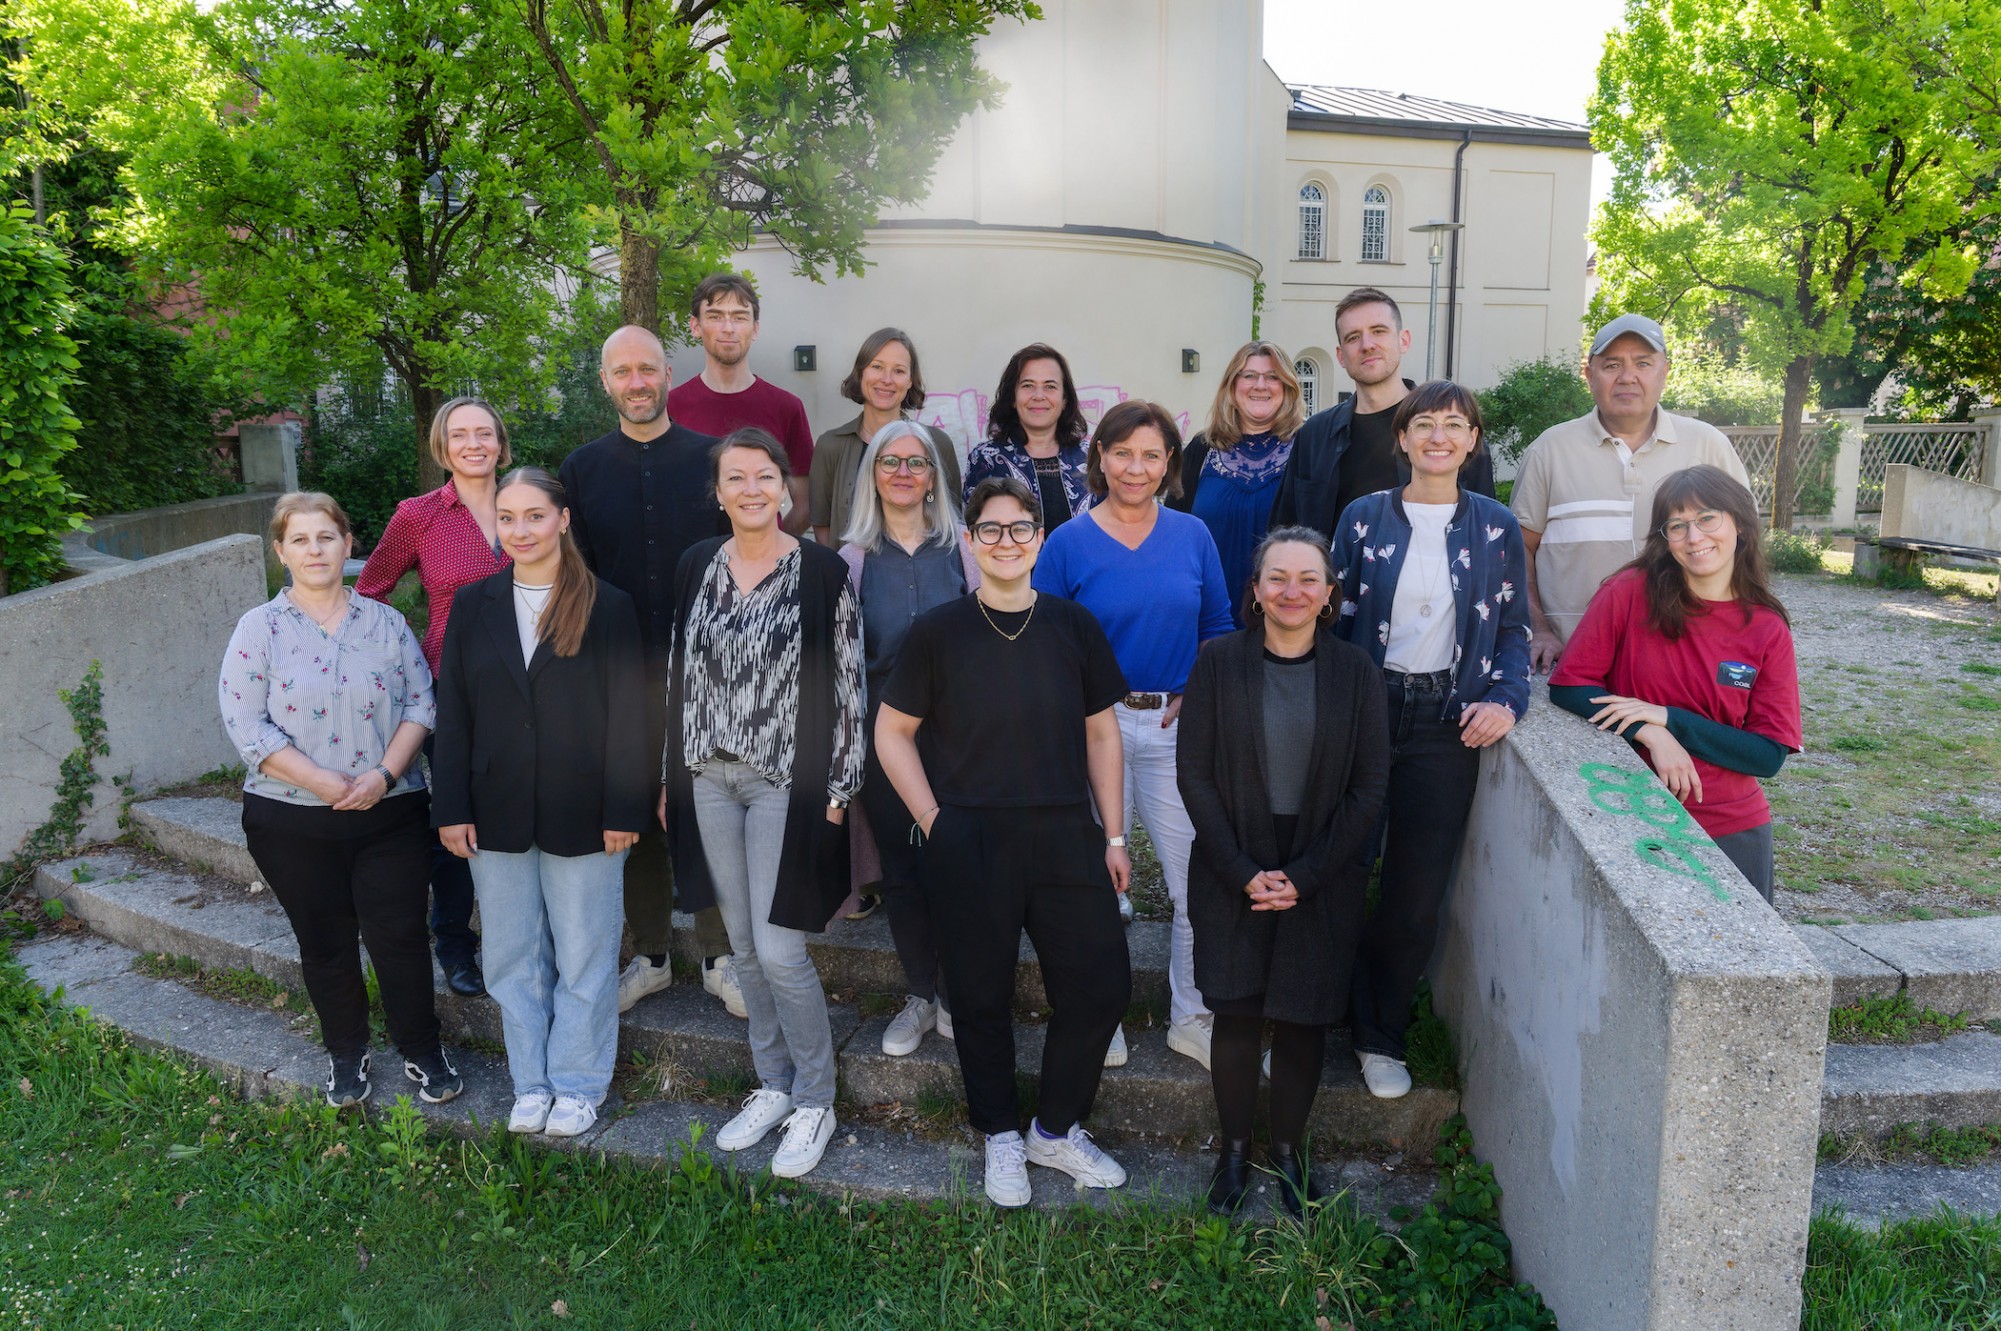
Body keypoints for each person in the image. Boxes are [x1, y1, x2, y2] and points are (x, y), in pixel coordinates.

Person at [874, 477, 1133, 1209]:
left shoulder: (1072, 626)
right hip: (970, 834)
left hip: (1063, 831)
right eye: (990, 530)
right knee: (980, 996)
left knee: (1101, 984)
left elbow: (1100, 731)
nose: (1006, 541)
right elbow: (891, 732)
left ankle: (1054, 1128)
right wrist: (933, 818)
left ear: (1040, 538)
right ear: (970, 541)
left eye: (1020, 528)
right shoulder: (938, 632)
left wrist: (1114, 833)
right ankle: (998, 1134)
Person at [660, 428, 865, 1180]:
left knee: (780, 950)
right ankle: (772, 1083)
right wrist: (668, 776)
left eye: (763, 476)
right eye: (734, 477)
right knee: (742, 947)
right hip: (707, 777)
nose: (750, 489)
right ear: (717, 491)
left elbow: (848, 684)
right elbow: (678, 676)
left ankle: (816, 1095)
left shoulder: (821, 569)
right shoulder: (695, 566)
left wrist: (838, 790)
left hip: (786, 780)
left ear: (785, 487)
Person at [218, 492, 461, 1109]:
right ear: (280, 552)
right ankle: (347, 1053)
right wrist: (321, 783)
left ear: (348, 544)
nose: (314, 550)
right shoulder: (259, 629)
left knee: (401, 934)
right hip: (290, 818)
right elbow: (246, 724)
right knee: (323, 939)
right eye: (299, 540)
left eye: (326, 537)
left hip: (391, 809)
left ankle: (420, 1048)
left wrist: (383, 774)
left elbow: (421, 704)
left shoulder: (385, 622)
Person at [430, 468, 650, 1137]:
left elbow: (631, 717)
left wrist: (624, 807)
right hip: (493, 809)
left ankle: (578, 1083)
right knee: (509, 953)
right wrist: (450, 806)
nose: (520, 530)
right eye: (507, 518)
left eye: (533, 515)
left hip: (585, 809)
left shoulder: (607, 604)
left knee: (585, 952)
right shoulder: (474, 605)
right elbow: (455, 710)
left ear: (561, 519)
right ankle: (531, 1081)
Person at [1177, 526, 1390, 1217]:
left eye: (1307, 578)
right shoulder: (1216, 662)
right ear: (1255, 589)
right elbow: (1195, 775)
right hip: (1229, 860)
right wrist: (1242, 870)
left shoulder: (1356, 671)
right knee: (1235, 1015)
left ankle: (1289, 1150)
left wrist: (1304, 874)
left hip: (1320, 867)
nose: (1291, 591)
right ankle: (1234, 1151)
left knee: (1301, 1020)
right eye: (1277, 577)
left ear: (1329, 593)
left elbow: (1368, 786)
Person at [1329, 382, 1530, 1101]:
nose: (1438, 436)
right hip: (1362, 711)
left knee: (1415, 888)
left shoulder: (1495, 525)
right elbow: (1329, 618)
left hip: (1444, 720)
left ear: (1473, 440)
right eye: (1424, 424)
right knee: (1339, 866)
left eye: (1454, 424)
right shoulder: (1360, 519)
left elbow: (1511, 629)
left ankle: (1377, 1033)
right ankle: (1313, 1015)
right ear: (1403, 438)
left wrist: (1506, 698)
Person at [1034, 400, 1235, 1071]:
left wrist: (1198, 690)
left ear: (1170, 464)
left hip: (1175, 724)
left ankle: (1191, 1013)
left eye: (1151, 454)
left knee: (1194, 877)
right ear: (1099, 458)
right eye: (1122, 452)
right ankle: (1098, 1014)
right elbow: (1045, 641)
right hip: (1096, 725)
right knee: (1093, 879)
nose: (1135, 466)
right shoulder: (1066, 543)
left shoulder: (1191, 535)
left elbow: (1219, 625)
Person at [559, 325, 741, 1020]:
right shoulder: (580, 469)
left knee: (709, 809)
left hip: (708, 670)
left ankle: (723, 956)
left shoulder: (710, 459)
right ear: (604, 381)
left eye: (646, 368)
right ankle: (653, 955)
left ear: (668, 372)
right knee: (635, 814)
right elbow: (573, 575)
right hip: (619, 672)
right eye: (621, 371)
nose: (636, 382)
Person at [1550, 465, 1801, 901]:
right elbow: (1568, 685)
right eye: (1677, 526)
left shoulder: (1766, 626)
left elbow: (1767, 755)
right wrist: (1650, 732)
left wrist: (1671, 720)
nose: (1694, 537)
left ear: (1738, 524)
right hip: (1633, 812)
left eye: (1708, 518)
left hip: (1731, 824)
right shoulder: (1629, 592)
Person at [355, 396, 512, 998]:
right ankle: (453, 940)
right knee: (458, 815)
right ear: (442, 448)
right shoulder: (418, 515)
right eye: (459, 435)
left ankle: (523, 940)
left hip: (534, 686)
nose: (473, 444)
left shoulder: (528, 501)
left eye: (484, 432)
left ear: (500, 442)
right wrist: (391, 674)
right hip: (451, 686)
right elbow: (372, 592)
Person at [837, 420, 980, 1056]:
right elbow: (842, 664)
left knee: (958, 860)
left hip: (961, 738)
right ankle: (921, 992)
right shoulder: (853, 561)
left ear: (932, 477)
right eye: (889, 462)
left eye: (915, 463)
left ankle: (959, 990)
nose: (902, 472)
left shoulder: (964, 551)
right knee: (903, 869)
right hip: (883, 740)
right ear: (873, 475)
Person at [1511, 313, 1752, 672]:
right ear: (1589, 375)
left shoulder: (1709, 445)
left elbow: (1745, 547)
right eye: (1612, 365)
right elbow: (1517, 550)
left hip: (1687, 661)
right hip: (1573, 661)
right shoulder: (1549, 450)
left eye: (1642, 363)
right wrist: (1540, 630)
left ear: (1665, 371)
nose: (1628, 377)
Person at [1269, 288, 1495, 539]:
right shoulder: (1314, 436)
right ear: (1340, 356)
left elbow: (1484, 532)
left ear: (1404, 340)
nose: (1367, 345)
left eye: (1378, 331)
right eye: (1353, 337)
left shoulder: (1451, 435)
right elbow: (1285, 532)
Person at [666, 273, 815, 534]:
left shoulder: (787, 407)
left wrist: (772, 550)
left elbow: (806, 506)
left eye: (739, 317)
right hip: (691, 567)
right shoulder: (671, 407)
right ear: (695, 326)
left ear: (754, 328)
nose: (728, 328)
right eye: (715, 316)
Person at [1169, 341, 1307, 622]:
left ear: (1288, 388)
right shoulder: (1201, 449)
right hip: (1207, 619)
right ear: (1232, 387)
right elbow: (1172, 534)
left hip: (1287, 620)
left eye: (1272, 377)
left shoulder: (1309, 448)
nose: (1260, 385)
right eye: (1248, 376)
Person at [809, 327, 963, 548]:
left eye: (899, 371)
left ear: (911, 380)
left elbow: (952, 520)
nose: (886, 379)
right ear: (861, 373)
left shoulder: (937, 444)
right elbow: (822, 527)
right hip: (851, 577)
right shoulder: (831, 446)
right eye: (877, 367)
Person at [963, 343, 1092, 532]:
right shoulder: (986, 458)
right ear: (1013, 398)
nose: (1038, 396)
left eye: (1050, 386)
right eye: (1028, 385)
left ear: (1065, 399)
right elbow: (975, 531)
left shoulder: (1091, 457)